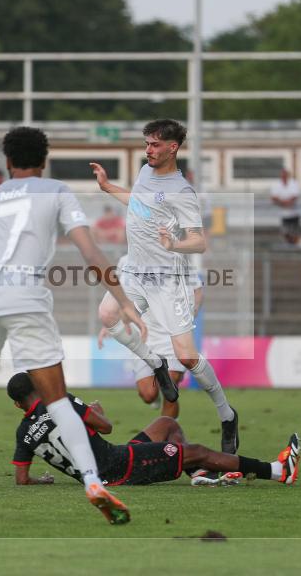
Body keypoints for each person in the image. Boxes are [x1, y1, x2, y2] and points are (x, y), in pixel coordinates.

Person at [0, 126, 148, 526]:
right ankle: (93, 482)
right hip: (23, 291)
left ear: (7, 161)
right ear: (44, 161)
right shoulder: (56, 191)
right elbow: (91, 252)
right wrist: (125, 302)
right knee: (57, 399)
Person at [91, 118, 239, 455]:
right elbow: (141, 204)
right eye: (147, 144)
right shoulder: (145, 172)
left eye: (155, 145)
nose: (148, 151)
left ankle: (227, 415)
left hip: (169, 279)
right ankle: (155, 364)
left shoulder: (182, 191)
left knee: (186, 357)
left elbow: (199, 242)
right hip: (137, 271)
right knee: (107, 314)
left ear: (173, 148)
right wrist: (109, 188)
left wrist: (174, 246)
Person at [6, 372, 301, 488]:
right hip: (118, 468)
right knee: (196, 451)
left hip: (111, 461)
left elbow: (21, 478)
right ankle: (277, 471)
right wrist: (97, 413)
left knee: (167, 424)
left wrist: (42, 481)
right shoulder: (61, 403)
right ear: (38, 387)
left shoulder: (23, 434)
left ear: (19, 405)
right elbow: (106, 428)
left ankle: (198, 475)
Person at [97, 254, 203, 419]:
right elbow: (118, 295)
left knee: (171, 383)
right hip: (144, 334)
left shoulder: (178, 259)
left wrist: (192, 311)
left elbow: (197, 290)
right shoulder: (126, 261)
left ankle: (166, 436)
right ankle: (155, 399)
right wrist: (109, 323)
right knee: (148, 395)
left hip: (172, 332)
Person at [270, 168, 301, 245]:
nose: (284, 176)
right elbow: (274, 198)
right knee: (285, 233)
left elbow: (294, 197)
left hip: (294, 214)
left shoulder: (293, 183)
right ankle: (289, 246)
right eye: (282, 175)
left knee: (295, 234)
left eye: (285, 174)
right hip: (284, 215)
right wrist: (284, 203)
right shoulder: (276, 185)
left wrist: (286, 202)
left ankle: (294, 247)